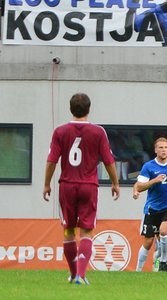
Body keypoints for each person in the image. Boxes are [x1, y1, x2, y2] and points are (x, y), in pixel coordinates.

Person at [42, 93, 120, 285]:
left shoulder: (60, 131)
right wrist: (115, 182)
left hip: (67, 184)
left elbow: (52, 160)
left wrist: (46, 183)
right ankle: (81, 275)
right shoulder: (98, 132)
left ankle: (73, 273)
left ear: (70, 109)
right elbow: (108, 160)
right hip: (88, 185)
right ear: (89, 109)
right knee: (86, 231)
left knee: (68, 230)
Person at [134, 137, 167, 272]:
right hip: (153, 207)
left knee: (164, 231)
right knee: (148, 241)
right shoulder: (148, 166)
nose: (165, 150)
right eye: (161, 148)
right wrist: (154, 181)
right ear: (155, 150)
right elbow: (139, 187)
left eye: (166, 147)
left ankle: (164, 258)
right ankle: (138, 270)